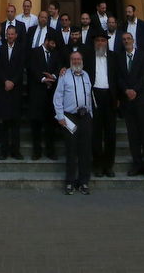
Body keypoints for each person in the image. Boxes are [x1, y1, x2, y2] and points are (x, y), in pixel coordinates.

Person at [53, 49, 95, 195]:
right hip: (70, 117)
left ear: (82, 61)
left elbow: (90, 95)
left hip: (85, 117)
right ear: (70, 62)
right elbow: (58, 96)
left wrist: (91, 114)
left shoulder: (86, 75)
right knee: (71, 150)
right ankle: (70, 181)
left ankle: (83, 182)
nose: (76, 62)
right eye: (74, 60)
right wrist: (60, 116)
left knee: (85, 150)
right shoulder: (64, 76)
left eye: (78, 59)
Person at [115, 31, 144, 178]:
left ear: (133, 40)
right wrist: (126, 90)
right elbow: (118, 76)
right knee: (133, 134)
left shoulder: (142, 55)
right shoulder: (119, 58)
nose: (126, 41)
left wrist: (134, 90)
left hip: (141, 99)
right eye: (124, 39)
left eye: (128, 38)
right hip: (127, 100)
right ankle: (137, 163)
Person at [27, 35, 62, 160]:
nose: (53, 46)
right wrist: (42, 79)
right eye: (52, 43)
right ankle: (37, 151)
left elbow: (59, 68)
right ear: (46, 41)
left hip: (51, 95)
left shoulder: (55, 54)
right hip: (37, 93)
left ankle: (50, 150)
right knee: (36, 124)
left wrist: (53, 76)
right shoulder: (34, 52)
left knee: (50, 125)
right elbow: (31, 68)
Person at [0, 25, 26, 160]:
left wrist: (13, 81)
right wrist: (5, 81)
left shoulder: (20, 49)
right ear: (6, 35)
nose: (10, 36)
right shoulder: (1, 49)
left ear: (16, 35)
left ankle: (15, 150)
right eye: (8, 34)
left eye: (12, 34)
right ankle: (4, 151)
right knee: (4, 122)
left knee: (15, 123)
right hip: (4, 90)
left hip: (16, 89)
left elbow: (21, 68)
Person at [88, 33, 118, 178]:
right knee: (96, 133)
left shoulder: (114, 57)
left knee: (111, 133)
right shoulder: (88, 58)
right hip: (94, 97)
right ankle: (98, 164)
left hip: (109, 97)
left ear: (106, 42)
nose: (100, 43)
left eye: (103, 40)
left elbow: (118, 78)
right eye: (98, 40)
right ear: (94, 43)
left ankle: (109, 165)